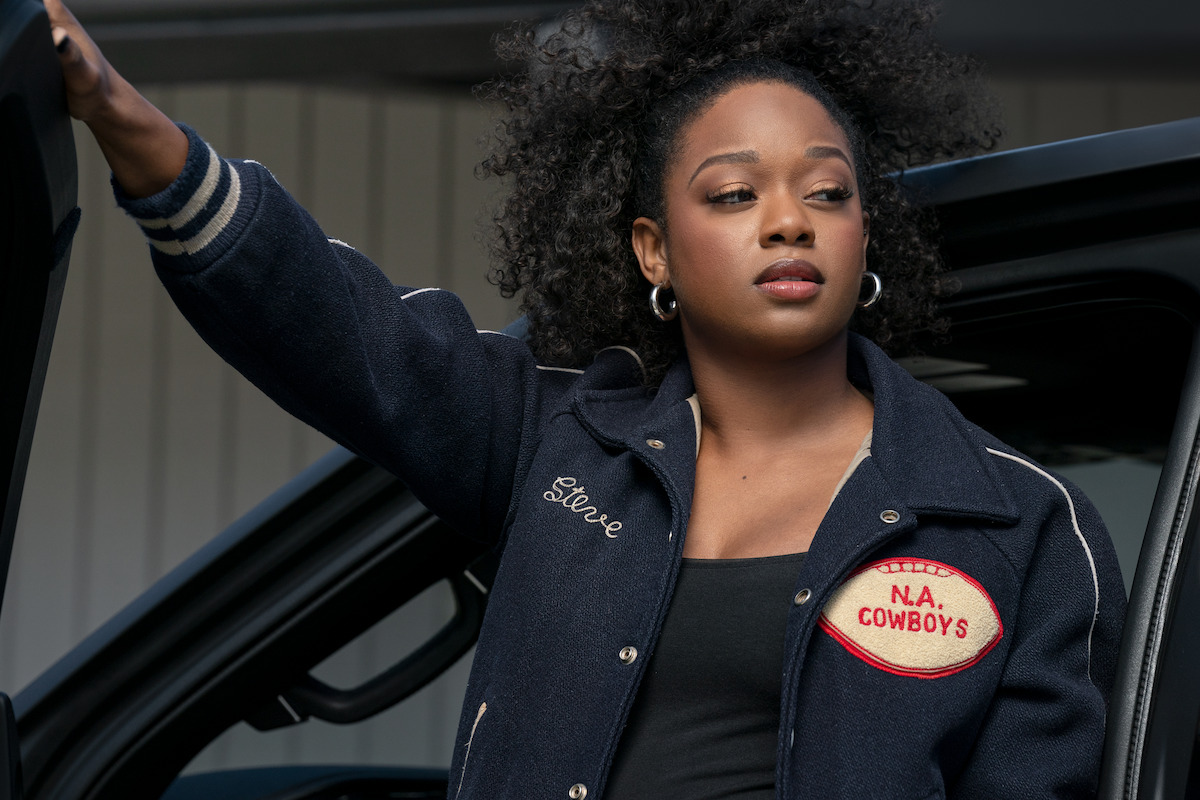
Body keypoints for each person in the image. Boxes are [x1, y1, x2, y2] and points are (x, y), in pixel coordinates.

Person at [46, 0, 1126, 796]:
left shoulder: (1016, 522)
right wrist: (118, 115)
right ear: (654, 248)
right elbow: (335, 327)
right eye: (737, 193)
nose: (789, 220)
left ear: (862, 236)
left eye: (827, 192)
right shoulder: (555, 437)